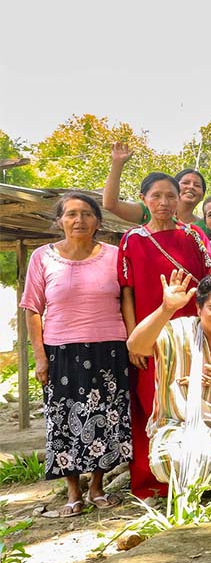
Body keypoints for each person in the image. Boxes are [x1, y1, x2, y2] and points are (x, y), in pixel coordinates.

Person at [22, 193, 131, 518]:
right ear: (60, 221)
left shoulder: (115, 255)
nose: (79, 220)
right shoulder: (43, 257)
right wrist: (40, 357)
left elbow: (127, 299)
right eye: (71, 214)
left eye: (86, 214)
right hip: (61, 352)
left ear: (98, 221)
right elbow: (32, 309)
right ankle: (73, 491)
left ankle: (97, 487)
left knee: (106, 419)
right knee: (63, 421)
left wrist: (132, 342)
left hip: (109, 349)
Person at [117, 172, 211, 498]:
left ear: (179, 199)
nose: (164, 203)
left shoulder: (194, 235)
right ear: (143, 199)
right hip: (150, 335)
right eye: (156, 196)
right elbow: (127, 292)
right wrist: (134, 339)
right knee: (152, 400)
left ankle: (201, 473)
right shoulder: (132, 239)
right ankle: (155, 479)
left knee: (193, 398)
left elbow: (210, 281)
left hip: (192, 333)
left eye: (170, 196)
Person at [126, 271, 211, 496]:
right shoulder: (180, 331)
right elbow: (136, 346)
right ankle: (202, 488)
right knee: (173, 456)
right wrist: (166, 309)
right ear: (199, 309)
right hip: (178, 425)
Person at [103, 142, 209, 234]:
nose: (191, 187)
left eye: (197, 185)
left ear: (203, 196)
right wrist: (117, 164)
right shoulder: (151, 210)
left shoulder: (207, 225)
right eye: (185, 183)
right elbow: (110, 204)